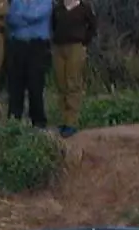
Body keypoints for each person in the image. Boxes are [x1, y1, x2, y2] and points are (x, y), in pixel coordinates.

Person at [5, 0, 53, 128]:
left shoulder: (45, 1)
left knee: (35, 85)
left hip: (37, 45)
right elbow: (10, 18)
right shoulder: (16, 1)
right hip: (17, 45)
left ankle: (38, 122)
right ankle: (14, 121)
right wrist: (26, 18)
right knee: (15, 85)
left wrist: (21, 17)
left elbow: (37, 15)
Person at [51, 0, 96, 137]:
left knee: (73, 82)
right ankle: (64, 119)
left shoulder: (84, 8)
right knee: (61, 83)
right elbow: (54, 25)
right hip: (59, 47)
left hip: (76, 46)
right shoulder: (58, 8)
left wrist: (84, 42)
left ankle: (72, 122)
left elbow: (93, 27)